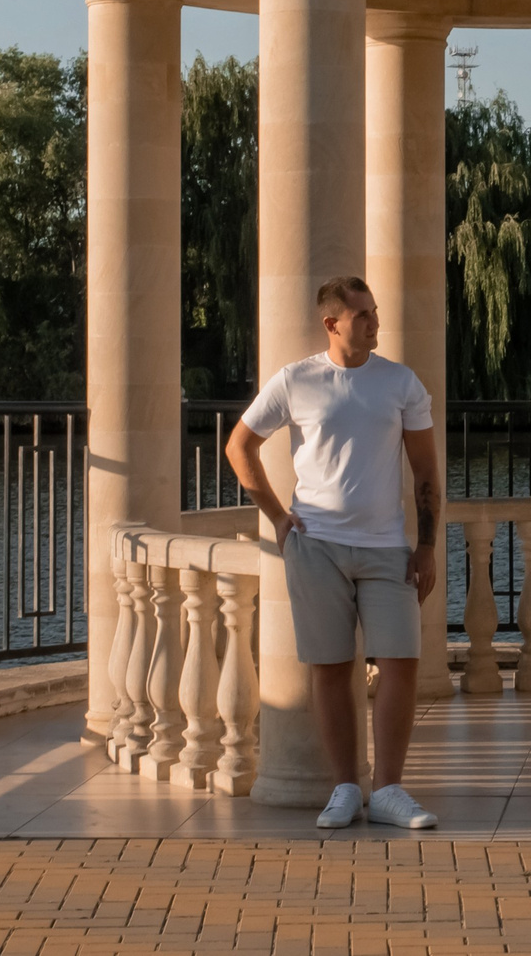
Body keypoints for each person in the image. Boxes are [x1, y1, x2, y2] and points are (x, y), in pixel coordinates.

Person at [225, 275, 444, 830]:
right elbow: (239, 445)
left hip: (387, 549)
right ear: (333, 323)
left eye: (375, 312)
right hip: (315, 546)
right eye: (364, 315)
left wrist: (426, 547)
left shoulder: (400, 383)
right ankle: (346, 787)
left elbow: (425, 473)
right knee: (329, 668)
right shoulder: (296, 380)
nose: (375, 322)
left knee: (400, 663)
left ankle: (390, 789)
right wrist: (277, 517)